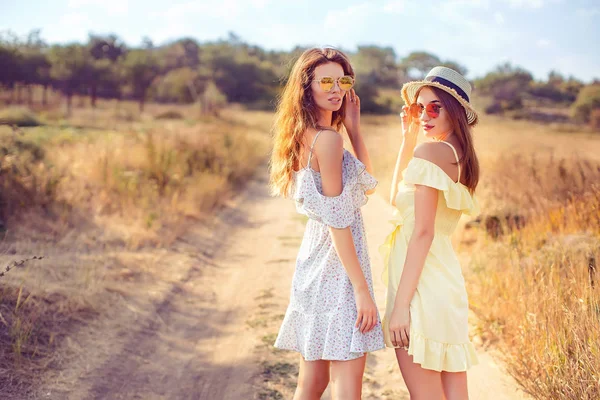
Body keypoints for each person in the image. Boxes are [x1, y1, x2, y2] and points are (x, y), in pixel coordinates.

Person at [269, 47, 385, 400]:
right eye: (326, 81)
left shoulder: (306, 133)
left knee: (312, 383)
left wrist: (354, 129)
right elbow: (339, 219)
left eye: (343, 80)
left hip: (315, 262)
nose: (336, 89)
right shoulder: (327, 140)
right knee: (347, 385)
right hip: (337, 269)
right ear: (307, 87)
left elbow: (361, 187)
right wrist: (362, 291)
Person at [380, 66, 481, 399]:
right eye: (419, 107)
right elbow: (397, 199)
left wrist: (400, 308)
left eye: (434, 106)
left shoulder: (430, 154)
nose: (424, 115)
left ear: (455, 112)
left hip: (421, 290)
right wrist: (408, 140)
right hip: (444, 285)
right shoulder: (457, 156)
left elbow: (422, 233)